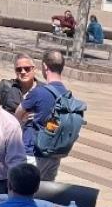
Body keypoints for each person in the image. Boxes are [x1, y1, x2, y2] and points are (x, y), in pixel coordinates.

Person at [17, 50, 76, 181]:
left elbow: (17, 115)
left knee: (24, 192)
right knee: (45, 194)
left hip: (32, 153)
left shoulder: (38, 93)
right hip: (54, 155)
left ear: (44, 66)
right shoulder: (68, 95)